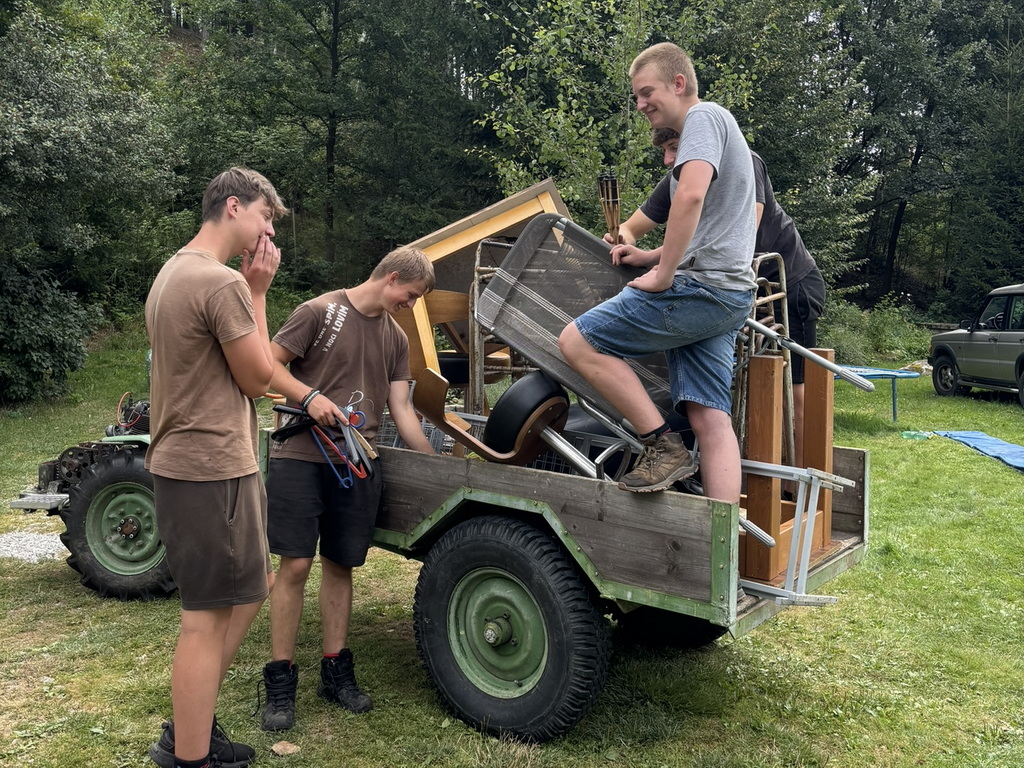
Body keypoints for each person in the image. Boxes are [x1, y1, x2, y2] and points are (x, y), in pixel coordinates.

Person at [558, 41, 756, 500]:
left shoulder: (702, 117)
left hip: (700, 290)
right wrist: (649, 257)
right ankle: (719, 535)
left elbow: (690, 196)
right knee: (710, 418)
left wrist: (665, 274)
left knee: (577, 341)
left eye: (647, 93)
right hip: (729, 295)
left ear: (678, 83)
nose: (641, 104)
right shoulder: (721, 128)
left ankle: (662, 447)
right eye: (636, 96)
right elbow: (714, 228)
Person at [259, 246, 437, 732]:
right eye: (410, 294)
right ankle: (280, 679)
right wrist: (309, 397)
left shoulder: (395, 337)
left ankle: (335, 672)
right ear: (392, 277)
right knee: (296, 565)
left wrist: (433, 461)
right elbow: (267, 365)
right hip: (300, 456)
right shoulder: (318, 312)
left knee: (341, 566)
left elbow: (401, 407)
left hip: (358, 463)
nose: (410, 304)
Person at [144, 167, 288, 768]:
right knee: (205, 621)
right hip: (211, 469)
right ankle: (189, 757)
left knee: (251, 587)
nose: (268, 233)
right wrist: (259, 292)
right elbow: (258, 378)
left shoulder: (172, 272)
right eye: (264, 217)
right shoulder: (220, 282)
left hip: (189, 464)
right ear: (234, 206)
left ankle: (190, 726)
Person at [611, 129, 826, 474]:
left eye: (674, 148)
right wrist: (620, 238)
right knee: (750, 389)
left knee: (794, 392)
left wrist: (653, 258)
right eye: (664, 150)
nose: (668, 159)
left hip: (788, 284)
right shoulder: (679, 178)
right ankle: (753, 472)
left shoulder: (744, 164)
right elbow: (632, 227)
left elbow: (740, 235)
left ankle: (797, 484)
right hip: (739, 288)